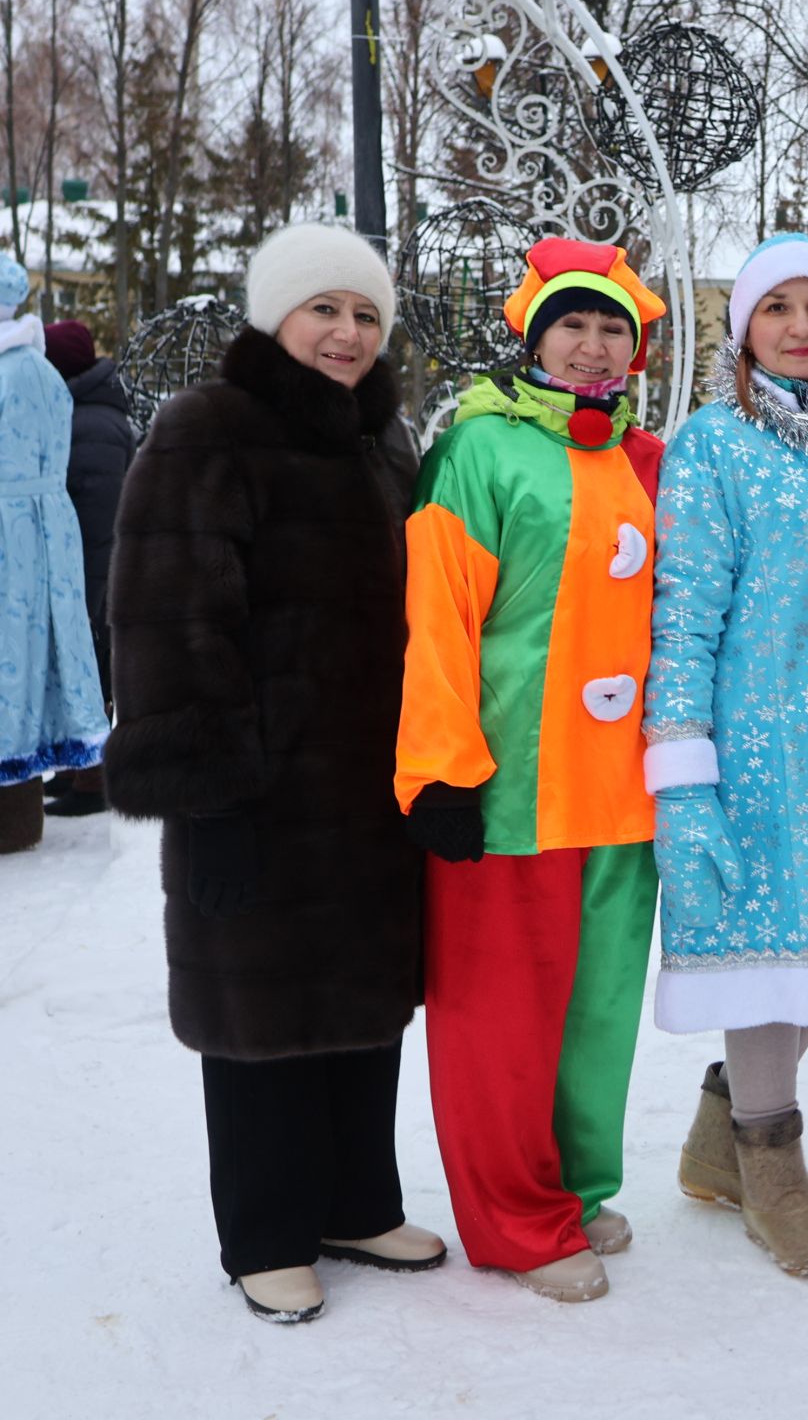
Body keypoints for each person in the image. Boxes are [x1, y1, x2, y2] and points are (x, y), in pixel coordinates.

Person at [104, 222, 443, 1323]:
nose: (346, 333)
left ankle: (355, 1199)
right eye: (324, 309)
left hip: (369, 791)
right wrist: (210, 789)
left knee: (361, 1003)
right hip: (254, 787)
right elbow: (166, 615)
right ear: (272, 314)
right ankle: (264, 1230)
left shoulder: (383, 443)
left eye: (365, 314)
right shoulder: (210, 431)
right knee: (260, 1015)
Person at [394, 237, 667, 1305]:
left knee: (597, 1013)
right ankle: (514, 1221)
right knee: (500, 1021)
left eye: (615, 329)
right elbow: (439, 625)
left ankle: (574, 1186)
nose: (594, 346)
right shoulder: (479, 453)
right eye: (574, 324)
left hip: (622, 795)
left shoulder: (646, 459)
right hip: (509, 790)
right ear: (534, 335)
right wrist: (441, 770)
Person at [644, 233, 808, 1276]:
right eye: (777, 307)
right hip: (755, 745)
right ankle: (769, 1158)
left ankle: (721, 1140)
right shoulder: (714, 444)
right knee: (766, 957)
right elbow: (686, 614)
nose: (802, 326)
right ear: (743, 327)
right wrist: (686, 769)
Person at [0, 257, 106, 851]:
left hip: (10, 531)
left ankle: (11, 816)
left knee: (9, 666)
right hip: (49, 532)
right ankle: (20, 812)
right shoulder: (41, 371)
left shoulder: (9, 374)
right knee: (34, 658)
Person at [40, 320, 135, 818]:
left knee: (93, 669)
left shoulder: (92, 422)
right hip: (91, 569)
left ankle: (94, 781)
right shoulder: (84, 411)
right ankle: (78, 770)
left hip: (97, 573)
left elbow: (99, 521)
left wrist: (89, 594)